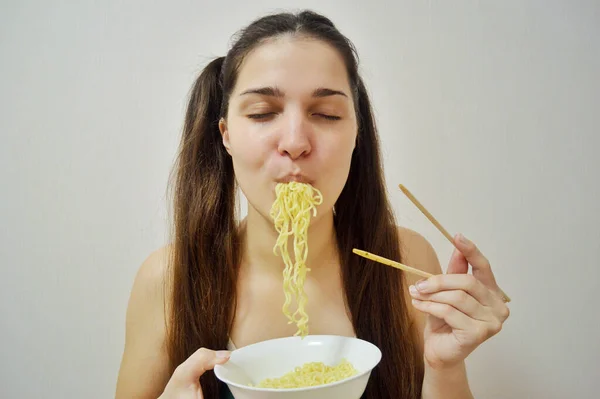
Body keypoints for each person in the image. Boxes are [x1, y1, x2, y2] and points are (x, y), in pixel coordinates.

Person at [115, 9, 510, 399]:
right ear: (226, 135)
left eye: (325, 114)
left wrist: (446, 366)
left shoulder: (404, 260)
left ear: (357, 133)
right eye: (262, 113)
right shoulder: (168, 280)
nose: (295, 141)